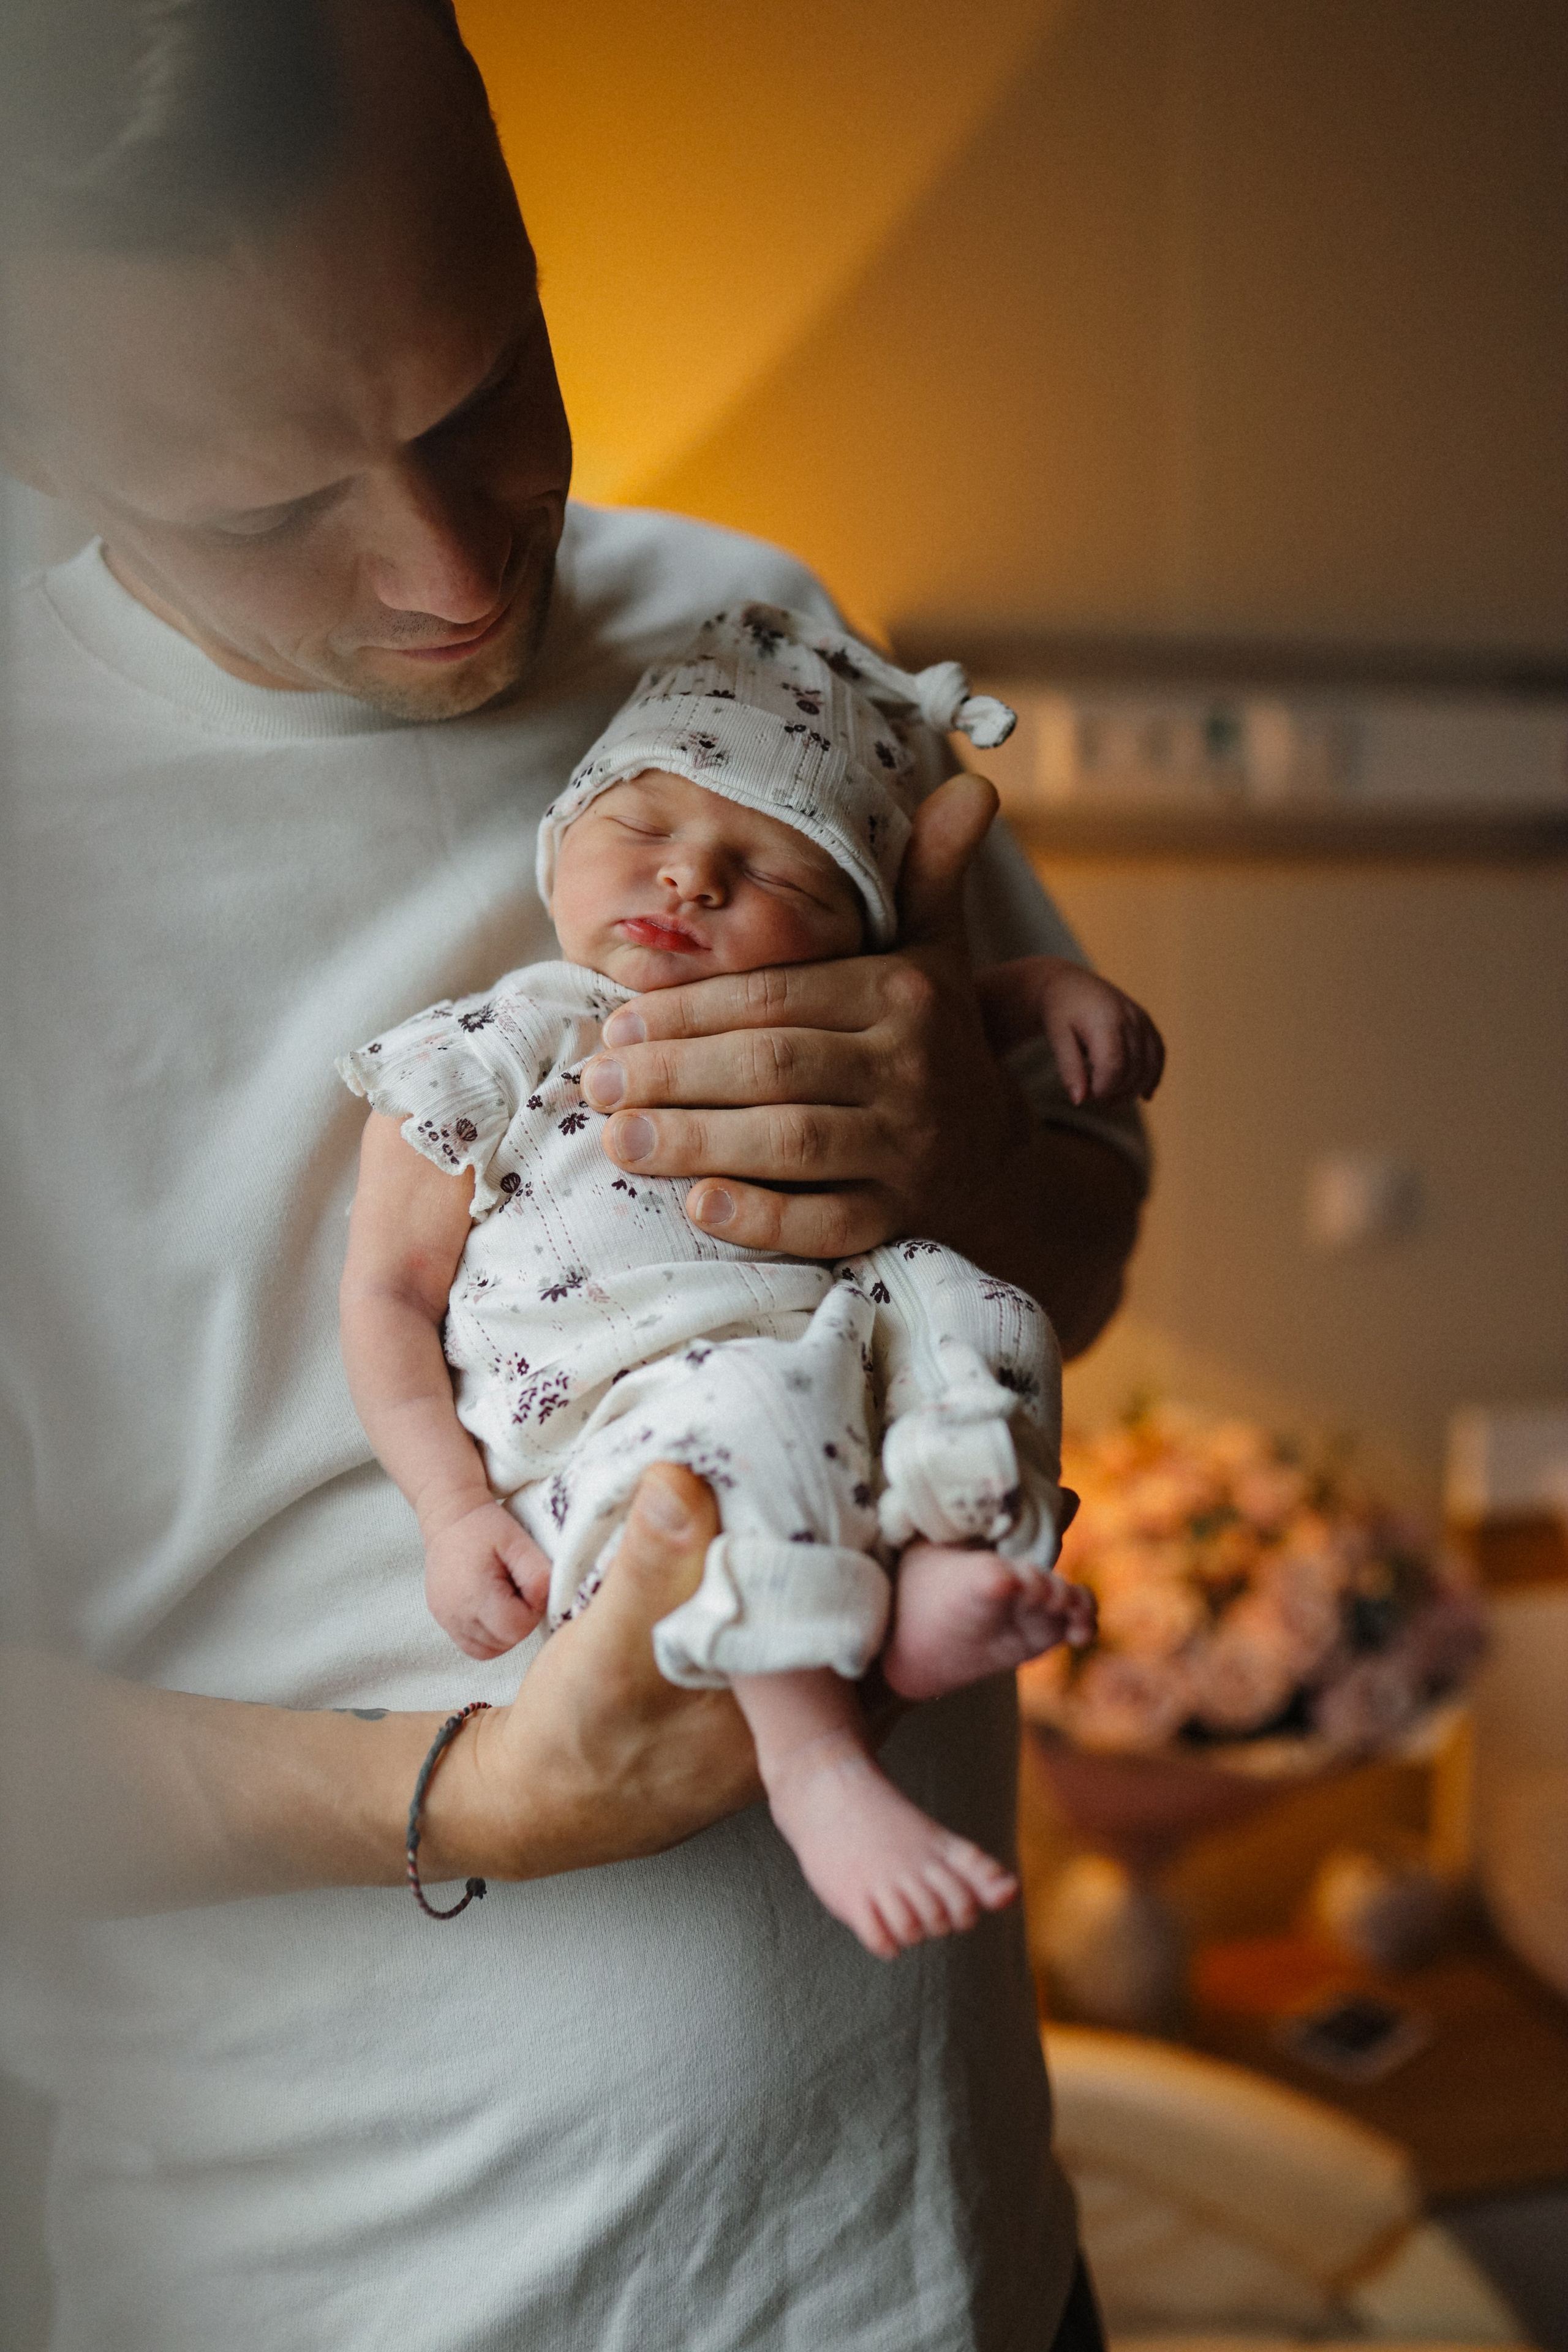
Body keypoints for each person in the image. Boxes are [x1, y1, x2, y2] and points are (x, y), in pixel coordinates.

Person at [0, 2, 1148, 2344]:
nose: (445, 568)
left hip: (961, 2275)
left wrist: (966, 1165)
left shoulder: (751, 642)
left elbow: (1078, 1255)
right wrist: (469, 1797)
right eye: (267, 503)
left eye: (483, 385)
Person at [339, 604, 1158, 1960]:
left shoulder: (828, 1018)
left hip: (828, 1339)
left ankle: (944, 1549)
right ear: (559, 848)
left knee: (987, 1310)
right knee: (735, 1426)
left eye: (773, 868)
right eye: (645, 833)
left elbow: (955, 1011)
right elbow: (384, 1295)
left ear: (853, 931)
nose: (688, 882)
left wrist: (1051, 995)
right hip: (629, 1404)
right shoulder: (506, 1036)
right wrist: (445, 1508)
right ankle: (816, 1764)